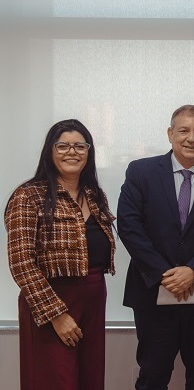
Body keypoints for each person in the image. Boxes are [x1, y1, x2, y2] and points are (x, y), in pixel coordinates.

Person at [117, 105, 194, 390]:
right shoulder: (141, 172)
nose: (191, 138)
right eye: (183, 130)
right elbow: (129, 227)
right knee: (152, 375)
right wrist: (166, 274)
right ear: (170, 133)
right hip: (153, 294)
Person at [5, 119, 116, 390]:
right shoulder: (28, 195)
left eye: (80, 146)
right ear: (50, 151)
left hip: (93, 295)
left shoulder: (94, 195)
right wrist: (56, 314)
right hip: (52, 299)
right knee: (54, 381)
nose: (72, 152)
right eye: (63, 145)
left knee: (90, 379)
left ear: (89, 152)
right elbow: (21, 263)